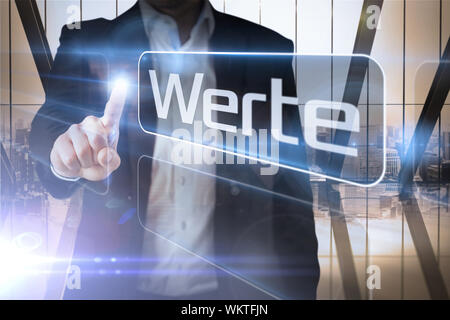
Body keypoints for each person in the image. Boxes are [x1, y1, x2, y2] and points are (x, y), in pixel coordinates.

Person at [30, 0, 319, 299]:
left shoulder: (265, 49)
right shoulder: (88, 42)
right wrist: (64, 155)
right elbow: (51, 123)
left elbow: (291, 191)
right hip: (116, 289)